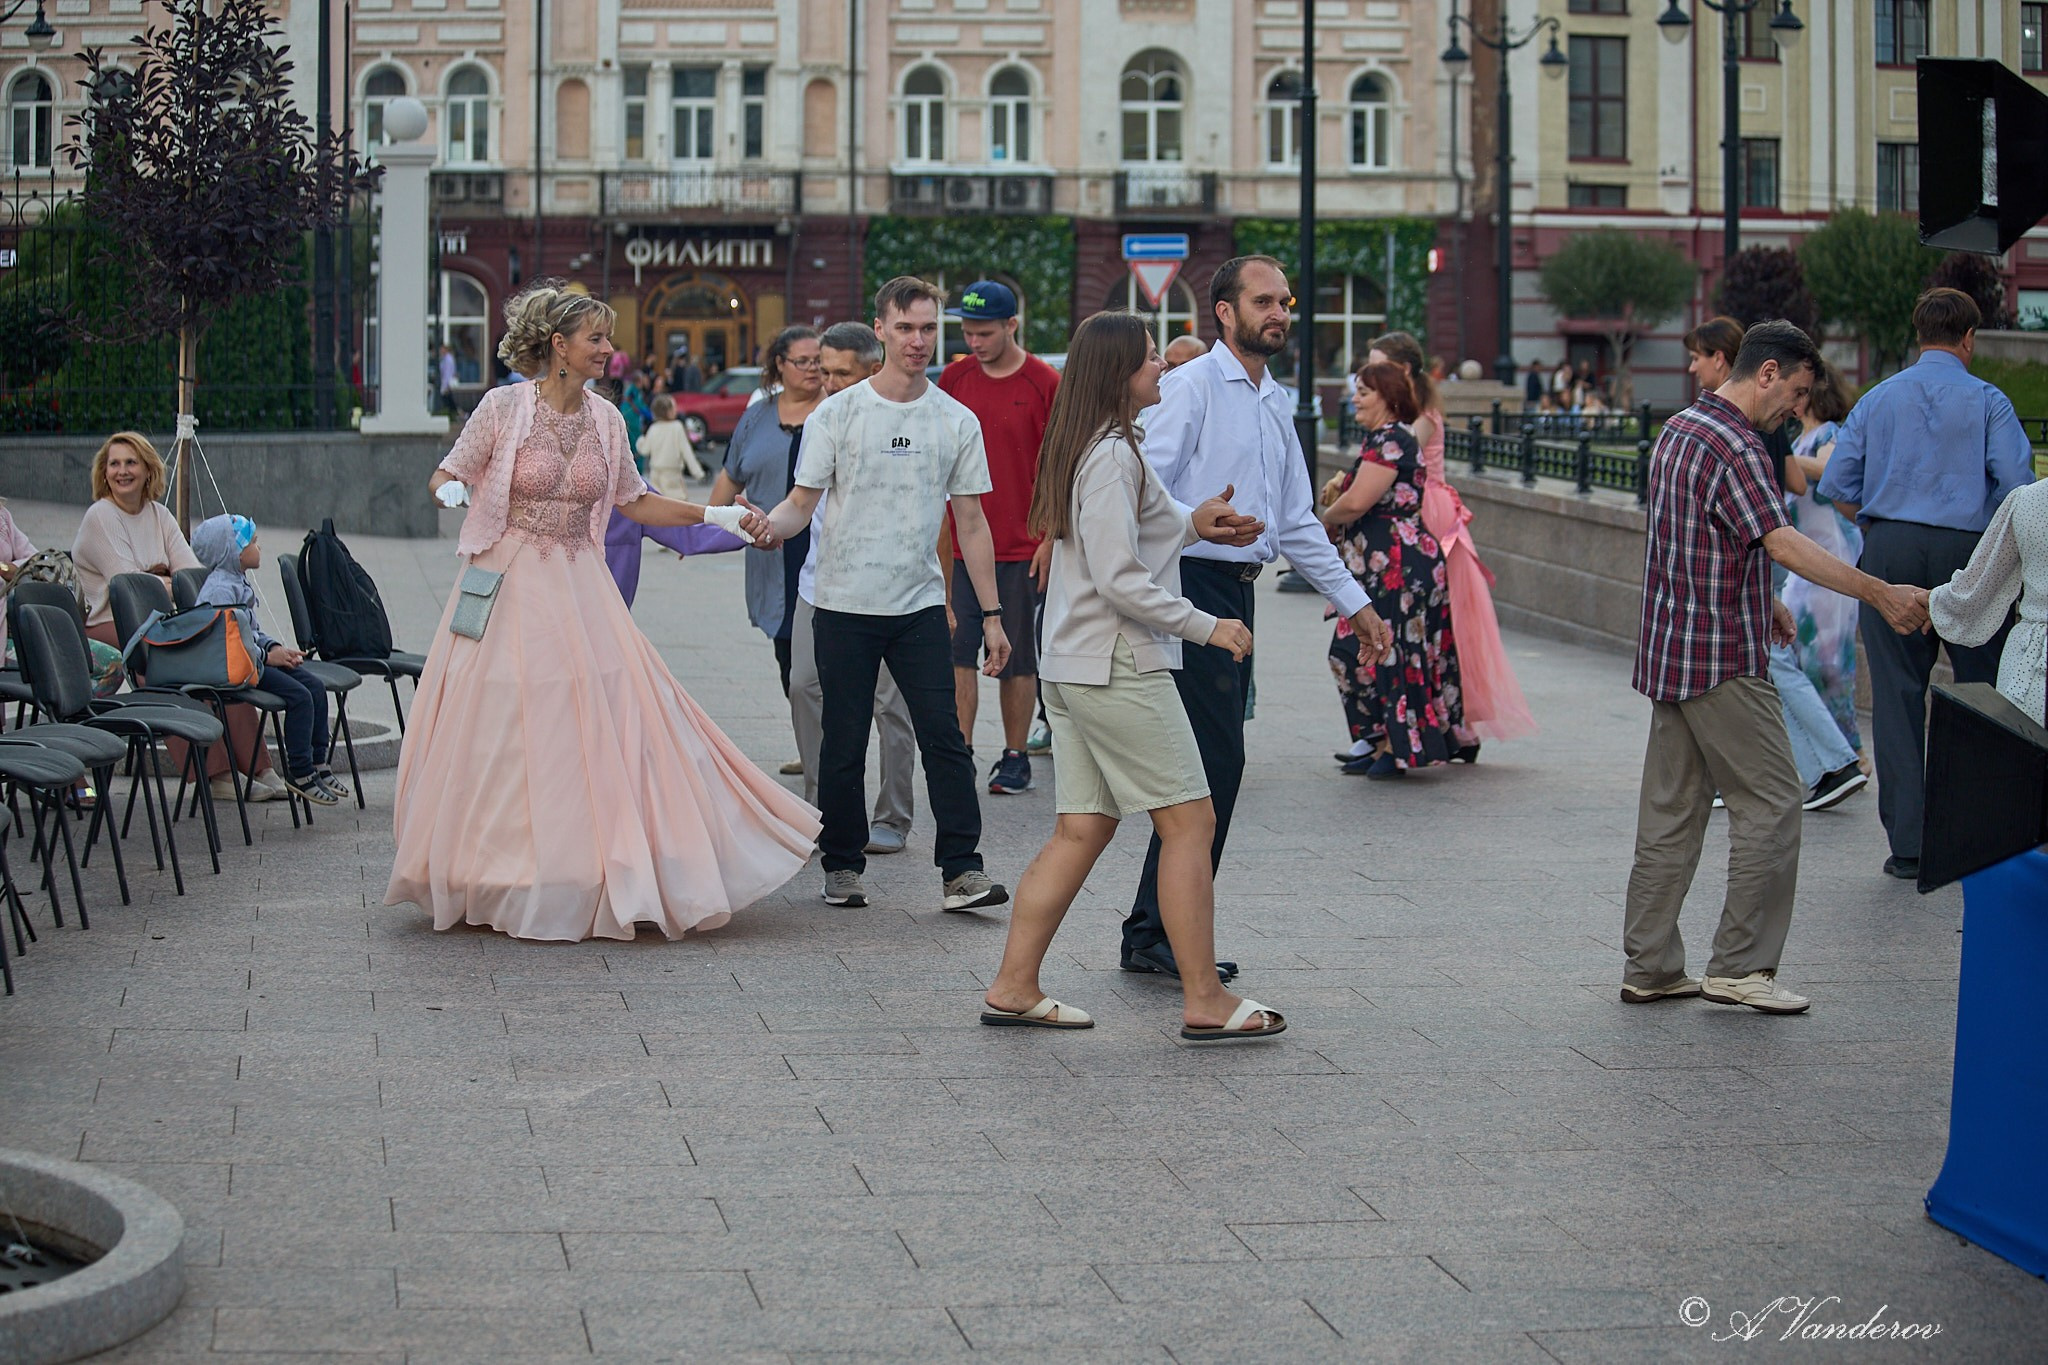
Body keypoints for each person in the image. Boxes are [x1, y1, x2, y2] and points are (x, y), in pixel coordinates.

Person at [386, 282, 818, 942]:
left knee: (595, 716)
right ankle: (497, 866)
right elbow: (448, 473)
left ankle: (582, 861)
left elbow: (636, 501)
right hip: (504, 579)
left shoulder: (609, 419)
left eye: (607, 339)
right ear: (558, 345)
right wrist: (450, 494)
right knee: (506, 718)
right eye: (597, 339)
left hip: (580, 582)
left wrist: (715, 513)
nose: (609, 351)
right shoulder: (503, 408)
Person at [981, 311, 1282, 1041]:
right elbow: (1118, 576)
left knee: (1081, 829)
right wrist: (1207, 625)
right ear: (1119, 373)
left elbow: (1130, 527)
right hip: (1118, 663)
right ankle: (1205, 999)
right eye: (1152, 358)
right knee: (1191, 822)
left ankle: (1014, 986)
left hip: (1075, 664)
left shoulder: (1107, 443)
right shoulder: (1113, 451)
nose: (1162, 369)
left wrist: (1194, 521)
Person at [1623, 320, 1927, 1016]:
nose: (1795, 408)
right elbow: (1782, 540)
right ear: (1765, 373)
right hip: (1724, 656)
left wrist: (1762, 600)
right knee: (1773, 802)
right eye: (1793, 392)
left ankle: (1650, 964)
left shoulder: (1679, 430)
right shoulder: (1738, 444)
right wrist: (1878, 590)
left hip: (1672, 647)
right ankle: (1741, 966)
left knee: (1670, 813)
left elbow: (1695, 539)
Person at [1120, 255, 1391, 983]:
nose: (1280, 312)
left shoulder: (1276, 400)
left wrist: (1357, 603)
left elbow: (1298, 523)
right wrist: (1196, 529)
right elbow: (1142, 491)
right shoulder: (1190, 388)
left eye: (1286, 300)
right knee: (1212, 767)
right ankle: (1158, 934)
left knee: (1211, 767)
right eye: (1263, 301)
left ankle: (1154, 929)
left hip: (1239, 590)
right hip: (1190, 585)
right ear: (1226, 313)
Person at [753, 276, 1011, 914]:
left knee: (944, 738)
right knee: (843, 739)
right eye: (906, 328)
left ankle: (962, 870)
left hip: (918, 605)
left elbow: (971, 522)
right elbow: (799, 507)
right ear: (881, 331)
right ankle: (842, 864)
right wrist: (763, 528)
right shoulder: (837, 415)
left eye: (928, 328)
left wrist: (993, 615)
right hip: (842, 604)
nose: (919, 341)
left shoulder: (955, 419)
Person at [1817, 287, 2036, 880]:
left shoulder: (1878, 398)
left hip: (1888, 549)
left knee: (1896, 695)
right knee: (1983, 695)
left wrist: (1876, 526)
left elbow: (1837, 483)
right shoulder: (1989, 400)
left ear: (1919, 335)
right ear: (1969, 338)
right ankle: (1981, 832)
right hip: (1971, 552)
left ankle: (1909, 845)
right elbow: (2019, 489)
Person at [71, 431, 281, 801]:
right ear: (104, 473)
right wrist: (162, 578)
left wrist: (160, 578)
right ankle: (212, 774)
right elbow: (129, 586)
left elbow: (193, 578)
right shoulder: (100, 517)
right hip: (111, 626)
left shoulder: (159, 514)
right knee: (170, 663)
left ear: (147, 467)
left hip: (162, 623)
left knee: (220, 655)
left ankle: (258, 766)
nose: (122, 471)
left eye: (130, 462)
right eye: (114, 464)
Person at [783, 321, 919, 857]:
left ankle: (892, 815)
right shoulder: (820, 419)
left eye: (842, 372)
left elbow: (938, 519)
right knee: (804, 687)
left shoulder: (906, 420)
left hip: (891, 589)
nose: (830, 381)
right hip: (820, 583)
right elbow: (801, 502)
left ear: (872, 367)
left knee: (890, 704)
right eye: (825, 370)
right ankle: (825, 810)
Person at [1364, 331, 1535, 755]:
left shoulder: (1418, 418)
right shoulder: (1410, 415)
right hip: (1419, 511)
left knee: (1441, 625)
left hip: (1428, 516)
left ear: (1401, 370)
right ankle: (1431, 725)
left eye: (1378, 367)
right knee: (1433, 626)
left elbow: (1397, 458)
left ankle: (1450, 725)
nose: (1366, 376)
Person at [938, 280, 1060, 795]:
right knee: (959, 651)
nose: (974, 342)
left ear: (1012, 325)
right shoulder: (954, 377)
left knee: (1017, 657)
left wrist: (1051, 538)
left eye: (984, 332)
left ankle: (1015, 755)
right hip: (961, 544)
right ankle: (960, 752)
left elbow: (1059, 466)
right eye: (967, 332)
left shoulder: (1043, 382)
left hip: (1020, 544)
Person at [1320, 361, 1461, 778]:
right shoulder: (1382, 438)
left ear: (1388, 396)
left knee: (1386, 651)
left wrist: (1325, 518)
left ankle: (1393, 745)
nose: (1355, 399)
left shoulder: (1392, 439)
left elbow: (1358, 501)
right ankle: (1381, 737)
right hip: (1383, 564)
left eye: (1364, 391)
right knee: (1354, 650)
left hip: (1399, 566)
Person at [190, 513, 350, 807]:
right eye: (252, 542)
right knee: (300, 697)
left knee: (314, 686)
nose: (258, 547)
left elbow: (251, 632)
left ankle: (318, 763)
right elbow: (229, 643)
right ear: (233, 552)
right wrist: (267, 656)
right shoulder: (221, 590)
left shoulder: (237, 580)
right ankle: (299, 771)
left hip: (254, 659)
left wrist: (276, 647)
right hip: (237, 667)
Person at [711, 326, 825, 700]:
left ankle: (826, 752)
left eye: (818, 361)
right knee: (788, 654)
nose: (813, 369)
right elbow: (729, 479)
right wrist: (699, 531)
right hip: (771, 552)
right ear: (780, 364)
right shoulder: (756, 416)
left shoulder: (834, 410)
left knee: (824, 659)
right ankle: (810, 747)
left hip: (823, 551)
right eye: (802, 361)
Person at [1778, 363, 1867, 803]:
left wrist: (1787, 457)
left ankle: (1849, 752)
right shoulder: (1795, 439)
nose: (1792, 400)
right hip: (1803, 565)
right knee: (1800, 658)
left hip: (1829, 559)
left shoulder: (1829, 433)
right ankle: (1827, 755)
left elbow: (1830, 469)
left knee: (1828, 660)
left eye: (1800, 392)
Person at [1929, 481, 2048, 725]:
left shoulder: (2028, 499)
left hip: (2028, 666)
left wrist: (1932, 602)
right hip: (2030, 664)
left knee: (2020, 759)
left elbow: (1976, 589)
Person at [602, 479, 748, 609]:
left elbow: (687, 533)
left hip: (612, 627)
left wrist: (749, 529)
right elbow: (688, 534)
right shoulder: (629, 495)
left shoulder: (630, 494)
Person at [639, 393, 706, 496]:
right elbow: (687, 451)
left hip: (656, 474)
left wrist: (641, 440)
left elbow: (644, 450)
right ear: (668, 411)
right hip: (673, 475)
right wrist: (698, 472)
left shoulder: (653, 428)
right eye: (674, 407)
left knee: (659, 503)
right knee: (677, 502)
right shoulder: (677, 427)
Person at [436, 343, 463, 417]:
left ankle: (458, 414)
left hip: (447, 385)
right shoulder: (445, 359)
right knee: (450, 401)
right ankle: (458, 413)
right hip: (446, 384)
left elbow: (447, 373)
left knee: (449, 401)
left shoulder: (448, 359)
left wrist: (445, 386)